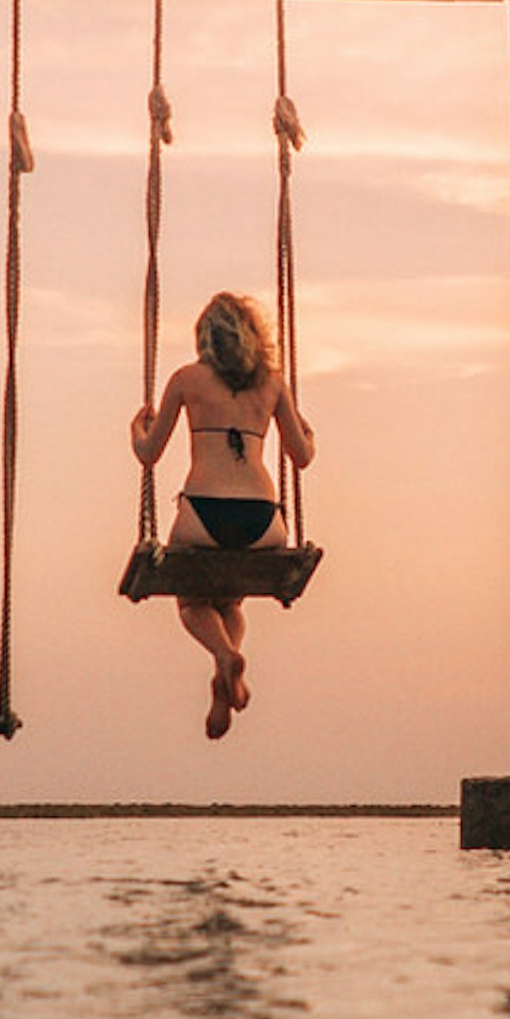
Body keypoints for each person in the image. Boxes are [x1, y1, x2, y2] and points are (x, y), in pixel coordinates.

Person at [129, 290, 315, 739]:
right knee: (230, 599)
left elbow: (149, 454)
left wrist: (136, 430)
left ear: (203, 338)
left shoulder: (186, 379)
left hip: (204, 514)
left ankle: (223, 657)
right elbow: (303, 456)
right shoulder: (272, 383)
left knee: (193, 601)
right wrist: (306, 430)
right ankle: (226, 660)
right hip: (261, 520)